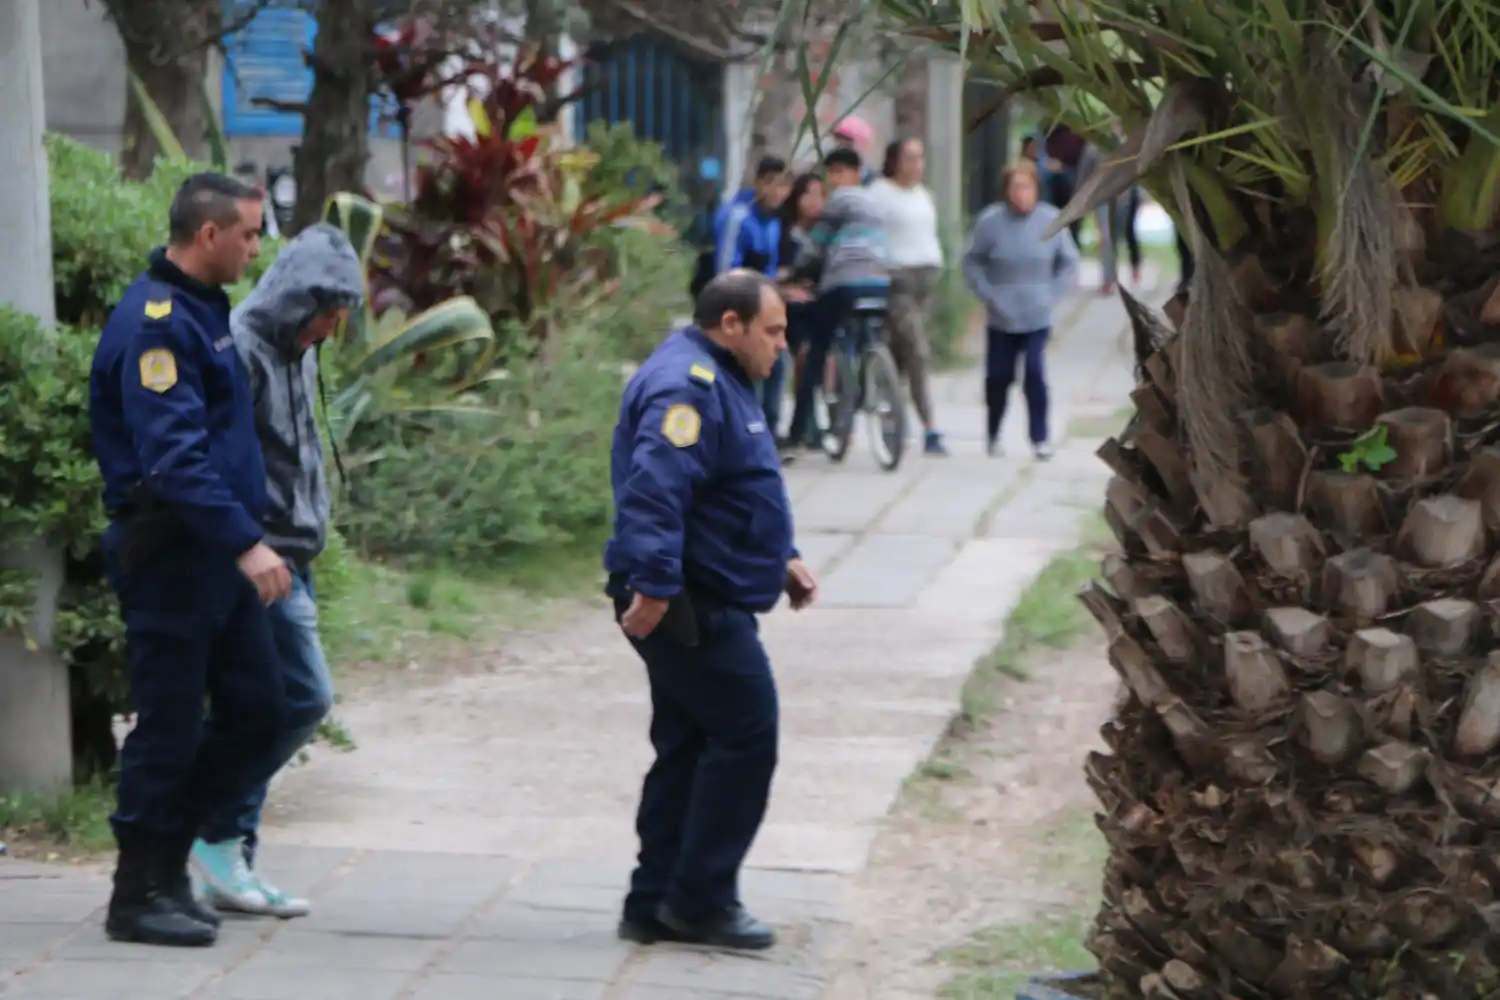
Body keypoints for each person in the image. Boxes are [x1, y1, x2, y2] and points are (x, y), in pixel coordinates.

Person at [89, 172, 291, 948]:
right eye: (248, 234)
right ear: (209, 235)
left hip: (217, 554)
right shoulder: (156, 324)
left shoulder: (206, 310)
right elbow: (173, 461)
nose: (255, 247)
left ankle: (170, 855)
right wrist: (247, 543)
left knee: (259, 711)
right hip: (174, 554)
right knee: (168, 726)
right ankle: (137, 890)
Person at [605, 270, 818, 951]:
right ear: (731, 324)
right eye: (774, 330)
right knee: (747, 734)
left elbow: (728, 488)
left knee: (690, 742)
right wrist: (659, 583)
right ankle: (700, 900)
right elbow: (657, 489)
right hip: (690, 600)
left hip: (704, 589)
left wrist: (778, 555)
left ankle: (656, 901)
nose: (782, 345)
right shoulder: (685, 388)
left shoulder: (717, 378)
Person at [188, 223, 366, 920]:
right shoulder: (240, 349)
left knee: (258, 707)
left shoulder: (303, 348)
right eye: (328, 313)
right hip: (262, 561)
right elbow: (216, 459)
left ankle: (230, 858)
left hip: (298, 554)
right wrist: (250, 544)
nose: (332, 328)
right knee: (299, 699)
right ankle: (204, 823)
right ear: (299, 299)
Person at [962, 160, 1079, 461]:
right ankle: (993, 430)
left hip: (1037, 314)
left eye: (1026, 186)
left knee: (1035, 374)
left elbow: (1068, 261)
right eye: (1015, 187)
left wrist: (1052, 294)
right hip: (1001, 315)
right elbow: (972, 261)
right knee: (998, 377)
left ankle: (1040, 438)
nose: (1021, 193)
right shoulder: (990, 222)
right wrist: (988, 295)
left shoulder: (1050, 220)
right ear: (1006, 191)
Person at [785, 148, 892, 450]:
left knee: (817, 350)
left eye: (840, 172)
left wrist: (796, 272)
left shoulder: (838, 202)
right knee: (870, 335)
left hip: (843, 284)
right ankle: (875, 383)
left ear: (856, 174)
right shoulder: (877, 202)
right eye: (831, 173)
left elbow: (815, 247)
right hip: (881, 281)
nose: (835, 179)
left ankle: (797, 432)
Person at [872, 138, 949, 456]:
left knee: (902, 355)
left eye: (920, 158)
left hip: (925, 280)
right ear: (894, 160)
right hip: (897, 280)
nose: (916, 165)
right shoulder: (879, 194)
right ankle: (929, 425)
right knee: (917, 350)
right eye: (909, 158)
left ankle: (893, 420)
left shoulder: (922, 195)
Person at [717, 156, 793, 441]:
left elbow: (769, 270)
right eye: (772, 184)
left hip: (762, 308)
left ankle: (767, 437)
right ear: (760, 182)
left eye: (784, 186)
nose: (778, 192)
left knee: (777, 364)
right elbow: (725, 272)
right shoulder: (737, 216)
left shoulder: (772, 222)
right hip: (735, 307)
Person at [778, 172, 826, 447]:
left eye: (821, 194)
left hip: (817, 303)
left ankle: (818, 419)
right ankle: (806, 422)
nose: (815, 201)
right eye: (808, 194)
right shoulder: (785, 233)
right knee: (805, 355)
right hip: (788, 306)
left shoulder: (825, 234)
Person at [831, 116, 877, 185]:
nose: (841, 146)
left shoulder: (870, 179)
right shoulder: (831, 175)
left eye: (847, 141)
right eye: (838, 140)